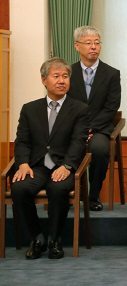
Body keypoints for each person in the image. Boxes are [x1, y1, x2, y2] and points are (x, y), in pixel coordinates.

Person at [12, 58, 90, 259]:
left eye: (65, 76)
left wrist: (67, 165)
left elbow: (78, 141)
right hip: (36, 166)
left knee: (58, 188)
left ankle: (55, 239)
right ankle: (36, 238)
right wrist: (22, 164)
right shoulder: (30, 109)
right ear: (44, 80)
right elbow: (22, 141)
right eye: (56, 76)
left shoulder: (79, 109)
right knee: (19, 188)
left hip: (64, 165)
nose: (61, 81)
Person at [67, 26, 121, 212]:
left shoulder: (112, 74)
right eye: (88, 43)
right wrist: (79, 128)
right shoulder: (68, 73)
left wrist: (90, 127)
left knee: (99, 149)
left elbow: (111, 107)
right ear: (77, 46)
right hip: (72, 128)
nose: (93, 47)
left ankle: (93, 195)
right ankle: (64, 192)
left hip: (99, 129)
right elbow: (65, 104)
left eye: (97, 43)